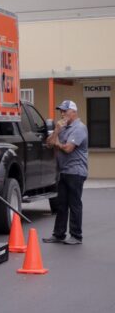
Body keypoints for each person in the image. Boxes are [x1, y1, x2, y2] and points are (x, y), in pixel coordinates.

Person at [44, 100, 88, 245]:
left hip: (76, 171)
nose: (62, 114)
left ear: (73, 112)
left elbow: (68, 149)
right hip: (64, 170)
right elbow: (48, 143)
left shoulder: (79, 128)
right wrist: (56, 130)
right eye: (61, 111)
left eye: (65, 111)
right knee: (61, 204)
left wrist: (57, 143)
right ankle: (59, 234)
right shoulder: (62, 127)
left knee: (74, 204)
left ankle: (76, 236)